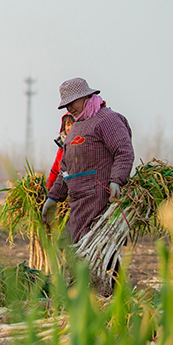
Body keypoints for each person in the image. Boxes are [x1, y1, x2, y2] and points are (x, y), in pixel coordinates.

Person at [41, 78, 134, 245]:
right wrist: (53, 198)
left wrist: (116, 181)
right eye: (65, 105)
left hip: (99, 199)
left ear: (86, 97)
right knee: (68, 248)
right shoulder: (76, 126)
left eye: (72, 102)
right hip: (78, 201)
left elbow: (124, 152)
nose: (69, 108)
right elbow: (65, 169)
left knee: (90, 252)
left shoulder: (107, 120)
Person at [46, 113, 76, 190]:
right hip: (62, 189)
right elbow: (55, 171)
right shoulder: (61, 148)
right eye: (68, 124)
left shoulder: (83, 146)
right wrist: (47, 189)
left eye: (74, 124)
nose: (70, 127)